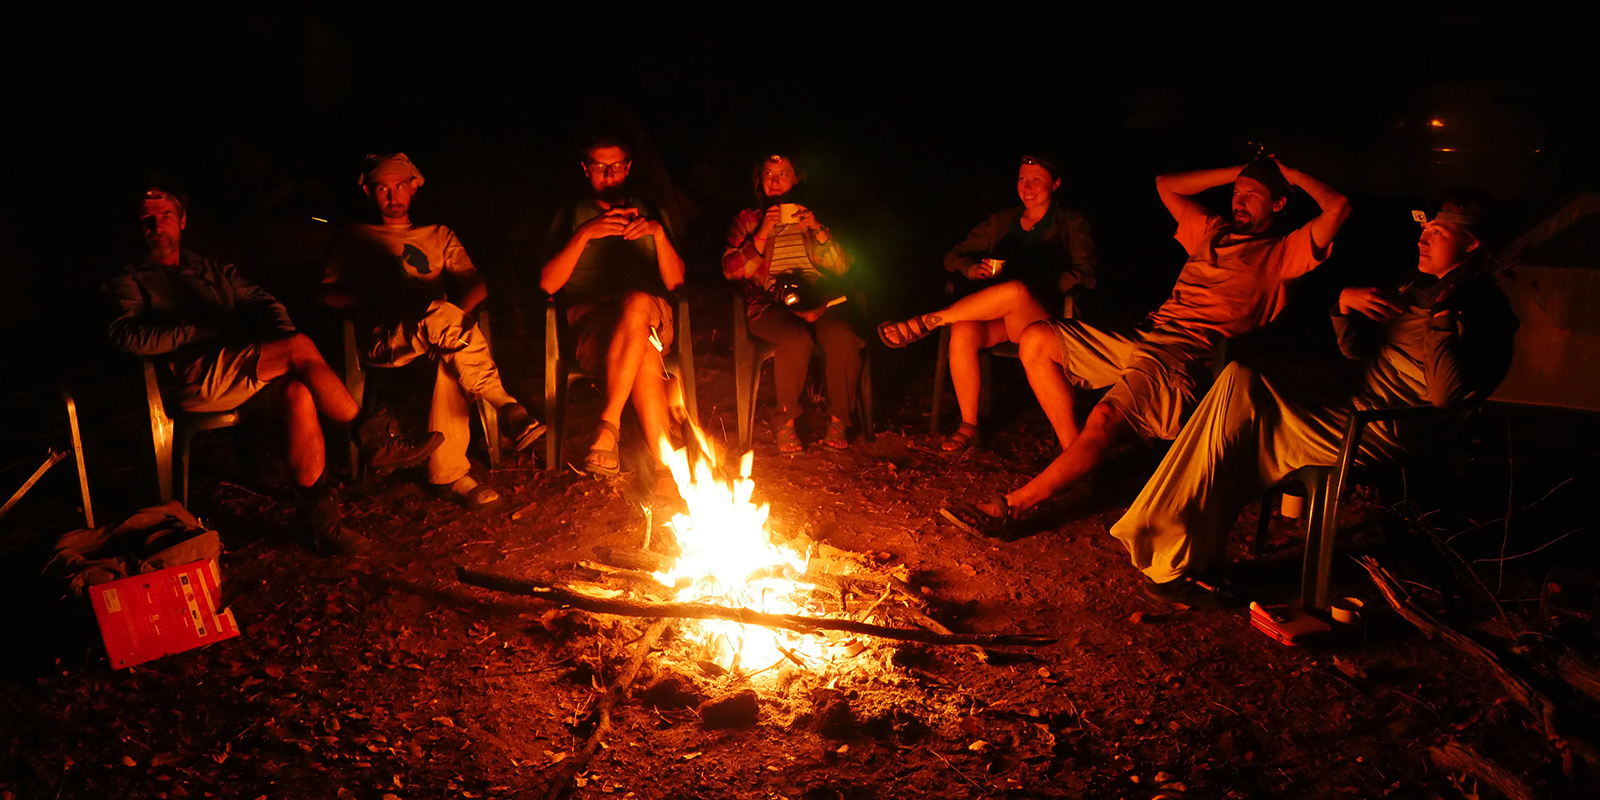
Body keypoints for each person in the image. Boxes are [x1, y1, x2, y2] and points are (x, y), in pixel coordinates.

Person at [1111, 191, 1517, 602]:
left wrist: (1443, 322)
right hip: (1350, 398)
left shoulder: (1482, 310)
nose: (1422, 240)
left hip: (1381, 426)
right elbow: (1360, 354)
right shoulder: (1421, 287)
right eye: (1424, 230)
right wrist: (1343, 306)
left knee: (1239, 420)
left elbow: (1447, 397)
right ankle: (1176, 546)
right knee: (1240, 378)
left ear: (1472, 244)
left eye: (1438, 232)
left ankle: (1173, 550)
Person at [940, 155, 1351, 535]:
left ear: (1278, 204)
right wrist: (1242, 171)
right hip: (1146, 333)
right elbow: (1166, 184)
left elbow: (1338, 207)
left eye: (1252, 195)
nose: (1239, 201)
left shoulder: (1284, 253)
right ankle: (1076, 457)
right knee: (1037, 338)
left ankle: (1012, 507)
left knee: (1103, 417)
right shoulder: (1212, 231)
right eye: (1236, 193)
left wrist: (1287, 172)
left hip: (1185, 354)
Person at [108, 188, 439, 554]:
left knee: (298, 393)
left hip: (237, 369)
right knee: (299, 348)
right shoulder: (129, 278)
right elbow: (124, 337)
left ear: (182, 221)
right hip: (189, 376)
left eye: (166, 216)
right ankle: (377, 439)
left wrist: (277, 332)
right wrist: (194, 330)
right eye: (147, 219)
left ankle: (320, 523)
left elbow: (260, 298)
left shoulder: (207, 268)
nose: (157, 226)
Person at [320, 154, 545, 509]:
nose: (393, 197)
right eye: (382, 189)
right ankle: (505, 406)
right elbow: (327, 291)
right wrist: (370, 299)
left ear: (413, 188)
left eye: (400, 187)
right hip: (387, 337)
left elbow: (476, 282)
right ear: (369, 192)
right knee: (448, 330)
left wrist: (457, 316)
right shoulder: (355, 236)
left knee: (449, 351)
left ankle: (450, 476)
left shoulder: (438, 235)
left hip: (440, 334)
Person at [879, 153, 1097, 452]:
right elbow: (954, 255)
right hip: (1003, 317)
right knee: (964, 330)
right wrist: (970, 269)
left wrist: (1045, 284)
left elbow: (1087, 273)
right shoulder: (1002, 221)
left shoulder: (1071, 222)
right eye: (1022, 179)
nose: (1027, 187)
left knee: (1018, 290)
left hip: (1044, 317)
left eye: (1036, 181)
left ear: (1055, 184)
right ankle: (969, 425)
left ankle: (926, 321)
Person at [540, 133, 686, 475]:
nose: (609, 175)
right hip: (596, 328)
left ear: (628, 167)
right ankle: (667, 469)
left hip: (653, 314)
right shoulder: (573, 214)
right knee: (644, 350)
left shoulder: (649, 212)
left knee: (636, 301)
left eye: (617, 166)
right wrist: (586, 234)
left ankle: (608, 426)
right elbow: (547, 284)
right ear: (585, 169)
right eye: (600, 167)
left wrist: (658, 234)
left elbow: (676, 282)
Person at [723, 153, 863, 451]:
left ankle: (840, 420)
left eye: (783, 174)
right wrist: (761, 234)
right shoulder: (748, 219)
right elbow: (732, 271)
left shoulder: (816, 214)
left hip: (820, 298)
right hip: (771, 302)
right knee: (795, 339)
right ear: (759, 180)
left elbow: (842, 267)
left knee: (841, 335)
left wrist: (818, 230)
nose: (775, 181)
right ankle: (785, 422)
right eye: (768, 174)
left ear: (796, 178)